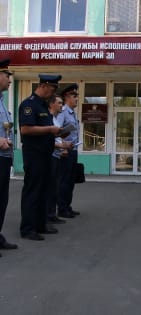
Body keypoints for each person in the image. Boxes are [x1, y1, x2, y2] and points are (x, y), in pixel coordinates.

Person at [19, 74, 62, 240]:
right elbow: (26, 129)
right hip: (34, 154)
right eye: (52, 88)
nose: (53, 92)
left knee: (44, 190)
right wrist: (50, 130)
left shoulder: (43, 106)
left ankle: (40, 224)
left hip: (46, 154)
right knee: (33, 190)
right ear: (44, 85)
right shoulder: (28, 104)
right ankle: (28, 229)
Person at [0, 58, 18, 254]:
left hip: (4, 157)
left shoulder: (2, 102)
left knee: (2, 200)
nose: (10, 80)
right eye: (7, 76)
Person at [46, 95, 73, 225]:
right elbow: (47, 141)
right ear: (52, 104)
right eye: (59, 103)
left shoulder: (55, 119)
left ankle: (52, 215)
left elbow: (57, 138)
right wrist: (62, 146)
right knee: (50, 187)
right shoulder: (48, 119)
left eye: (62, 103)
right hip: (50, 157)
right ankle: (48, 215)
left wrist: (64, 146)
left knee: (55, 187)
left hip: (56, 155)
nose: (62, 105)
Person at [56, 84, 80, 219]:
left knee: (70, 181)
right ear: (66, 97)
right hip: (65, 151)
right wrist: (62, 148)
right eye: (74, 95)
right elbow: (57, 130)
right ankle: (62, 208)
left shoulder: (72, 112)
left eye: (77, 96)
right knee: (64, 181)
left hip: (73, 150)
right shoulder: (63, 112)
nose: (77, 98)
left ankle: (67, 206)